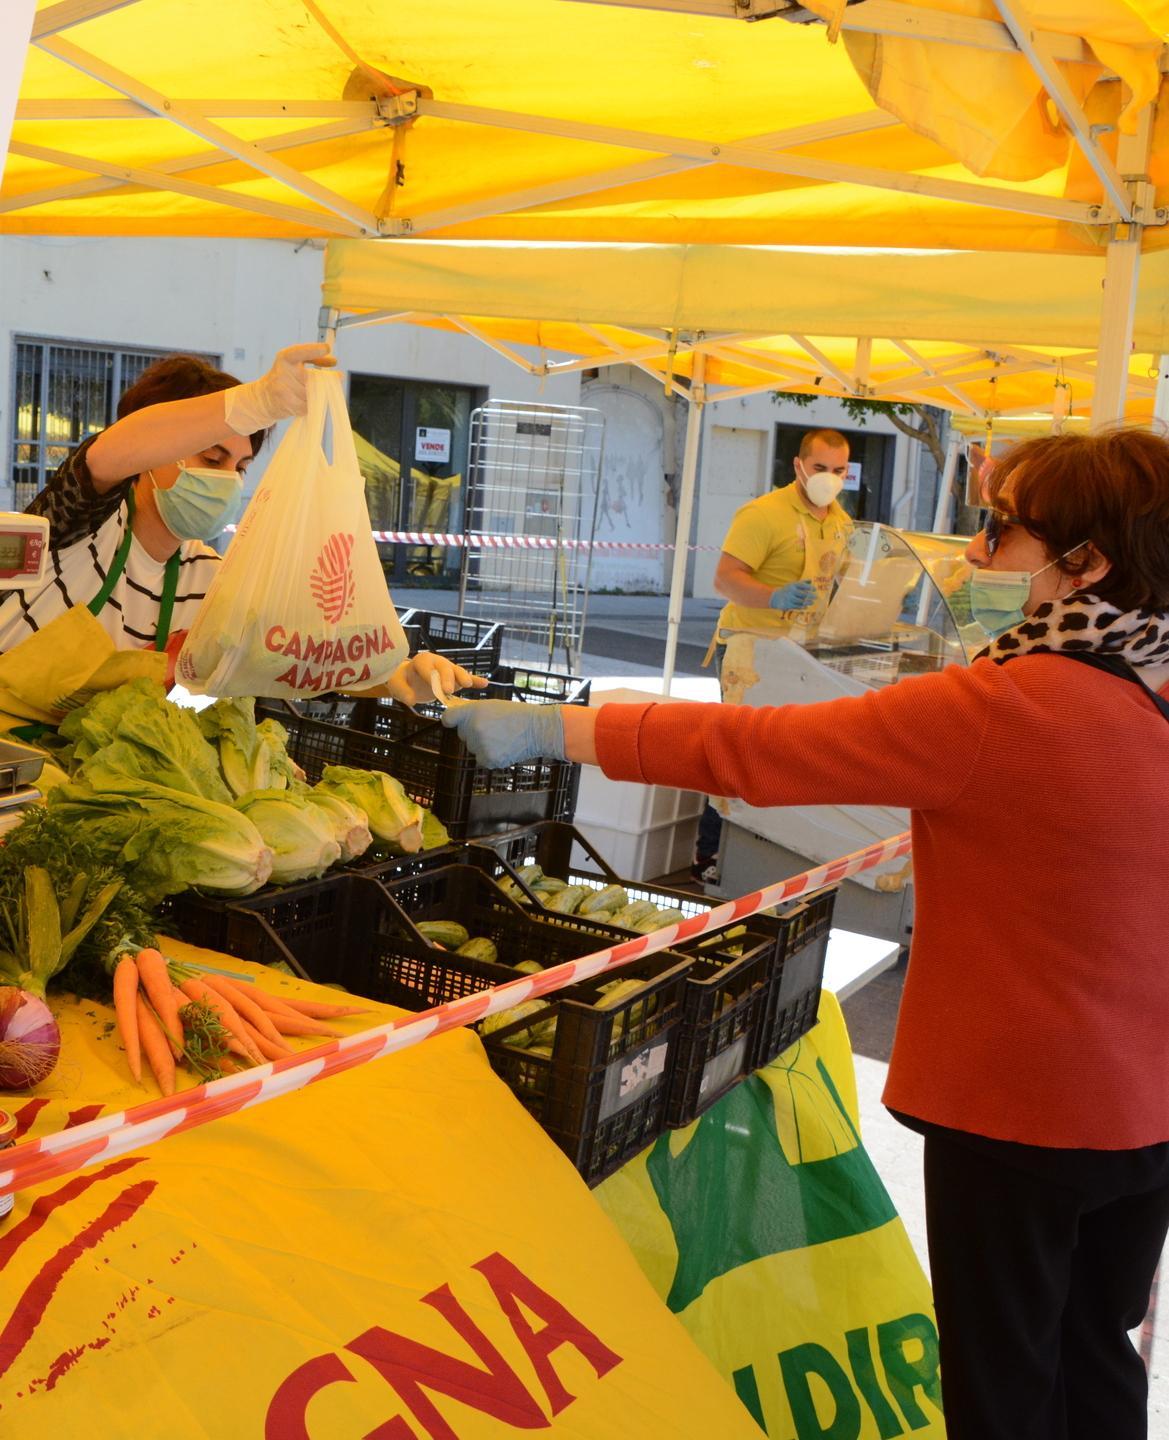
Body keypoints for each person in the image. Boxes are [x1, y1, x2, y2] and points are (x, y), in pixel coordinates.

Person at [440, 425, 1169, 1440]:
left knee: (1002, 1374)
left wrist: (559, 727)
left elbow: (764, 749)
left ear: (1082, 562)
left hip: (1020, 1111)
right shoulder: (1151, 681)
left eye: (999, 531)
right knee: (1092, 1351)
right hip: (1143, 1109)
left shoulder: (1011, 703)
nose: (974, 555)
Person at [0, 344, 474, 706]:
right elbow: (106, 454)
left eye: (241, 467)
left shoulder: (209, 578)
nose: (226, 479)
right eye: (212, 456)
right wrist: (254, 401)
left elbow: (295, 656)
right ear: (150, 453)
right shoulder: (76, 525)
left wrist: (399, 676)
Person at [693, 427, 853, 880]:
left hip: (800, 653)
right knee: (738, 751)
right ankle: (711, 854)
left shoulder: (839, 519)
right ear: (799, 466)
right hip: (749, 649)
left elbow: (841, 578)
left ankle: (764, 849)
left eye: (839, 470)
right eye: (820, 468)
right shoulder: (764, 514)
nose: (830, 477)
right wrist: (773, 596)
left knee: (778, 754)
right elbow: (724, 579)